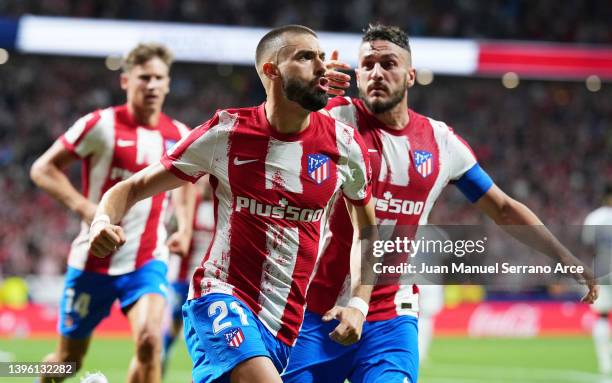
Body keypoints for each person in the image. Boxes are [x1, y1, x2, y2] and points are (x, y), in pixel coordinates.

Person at [282, 24, 598, 383]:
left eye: (389, 63)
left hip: (390, 316)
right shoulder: (334, 119)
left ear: (411, 75)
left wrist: (562, 254)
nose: (377, 73)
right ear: (356, 73)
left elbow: (504, 208)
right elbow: (276, 133)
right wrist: (306, 95)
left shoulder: (441, 142)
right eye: (368, 64)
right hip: (319, 309)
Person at [88, 25, 378, 383]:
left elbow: (367, 229)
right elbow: (130, 188)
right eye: (305, 57)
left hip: (284, 323)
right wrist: (101, 221)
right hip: (220, 296)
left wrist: (359, 304)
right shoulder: (226, 133)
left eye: (321, 57)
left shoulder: (344, 145)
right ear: (271, 71)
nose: (321, 66)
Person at [30, 43, 194, 383]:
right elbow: (42, 169)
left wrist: (186, 227)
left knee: (150, 343)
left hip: (148, 259)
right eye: (143, 77)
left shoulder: (178, 135)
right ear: (125, 81)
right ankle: (39, 377)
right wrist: (88, 209)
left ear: (168, 84)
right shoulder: (99, 125)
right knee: (67, 361)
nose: (151, 85)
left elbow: (188, 182)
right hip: (93, 260)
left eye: (158, 78)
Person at [162, 176, 215, 374]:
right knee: (175, 322)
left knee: (205, 329)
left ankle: (205, 368)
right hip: (182, 278)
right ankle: (162, 355)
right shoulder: (190, 206)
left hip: (208, 280)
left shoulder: (223, 205)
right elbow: (169, 228)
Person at [583, 184, 612, 374]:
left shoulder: (593, 217)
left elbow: (587, 246)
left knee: (602, 316)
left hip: (603, 271)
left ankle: (605, 364)